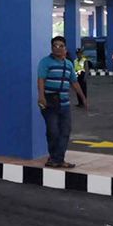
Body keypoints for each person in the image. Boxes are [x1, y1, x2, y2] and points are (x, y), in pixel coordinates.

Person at [37, 36, 87, 168]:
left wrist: (83, 98)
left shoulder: (69, 64)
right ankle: (54, 157)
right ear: (51, 48)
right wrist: (41, 96)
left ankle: (58, 159)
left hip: (65, 104)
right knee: (53, 131)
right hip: (49, 103)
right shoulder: (45, 62)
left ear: (65, 48)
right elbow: (41, 79)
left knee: (65, 132)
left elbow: (74, 82)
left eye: (61, 46)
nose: (58, 48)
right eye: (55, 46)